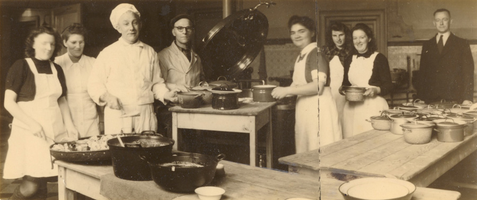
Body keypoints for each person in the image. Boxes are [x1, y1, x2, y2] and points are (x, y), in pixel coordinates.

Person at [3, 25, 78, 199]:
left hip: (54, 130)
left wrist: (70, 126)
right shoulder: (21, 66)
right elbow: (9, 103)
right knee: (32, 185)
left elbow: (62, 100)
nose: (49, 48)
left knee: (44, 181)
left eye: (52, 44)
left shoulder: (56, 69)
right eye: (44, 43)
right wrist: (32, 124)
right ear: (33, 44)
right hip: (30, 132)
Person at [88, 3, 177, 135]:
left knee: (147, 151)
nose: (131, 28)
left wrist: (165, 94)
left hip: (145, 114)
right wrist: (107, 97)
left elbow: (156, 83)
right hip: (119, 115)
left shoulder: (149, 52)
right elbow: (94, 84)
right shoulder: (108, 53)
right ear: (118, 28)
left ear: (140, 25)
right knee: (121, 152)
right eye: (126, 24)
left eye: (135, 23)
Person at [271, 15, 341, 153]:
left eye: (301, 31)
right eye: (293, 32)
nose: (296, 35)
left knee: (319, 150)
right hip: (307, 108)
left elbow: (318, 87)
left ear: (312, 33)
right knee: (307, 149)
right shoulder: (302, 55)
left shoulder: (316, 53)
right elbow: (298, 83)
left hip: (319, 108)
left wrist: (286, 90)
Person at [341, 23, 393, 138]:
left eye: (362, 37)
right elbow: (346, 84)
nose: (358, 41)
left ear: (369, 39)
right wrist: (343, 89)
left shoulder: (379, 58)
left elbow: (388, 86)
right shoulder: (349, 59)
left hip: (372, 106)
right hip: (352, 109)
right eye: (355, 38)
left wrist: (375, 90)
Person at [156, 14, 205, 137]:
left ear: (193, 31)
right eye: (180, 28)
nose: (184, 32)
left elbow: (201, 80)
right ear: (173, 31)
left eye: (188, 28)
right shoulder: (163, 55)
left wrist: (205, 86)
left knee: (197, 143)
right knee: (179, 146)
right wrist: (175, 86)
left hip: (194, 107)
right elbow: (157, 84)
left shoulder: (196, 57)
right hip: (172, 109)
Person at [414, 8, 474, 106]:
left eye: (444, 19)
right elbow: (422, 74)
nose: (441, 23)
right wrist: (420, 98)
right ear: (434, 23)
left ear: (451, 21)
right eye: (438, 20)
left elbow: (468, 73)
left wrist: (467, 98)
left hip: (455, 100)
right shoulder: (427, 45)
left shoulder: (462, 44)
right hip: (431, 100)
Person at [56, 23, 100, 138]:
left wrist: (102, 121)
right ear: (65, 43)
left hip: (91, 122)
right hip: (66, 123)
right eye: (73, 42)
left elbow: (99, 92)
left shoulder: (93, 63)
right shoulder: (57, 64)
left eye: (81, 42)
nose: (78, 46)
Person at [322, 21, 352, 128]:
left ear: (346, 35)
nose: (338, 39)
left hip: (345, 90)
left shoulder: (351, 51)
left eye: (341, 35)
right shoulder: (325, 51)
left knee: (345, 121)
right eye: (334, 35)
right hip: (329, 91)